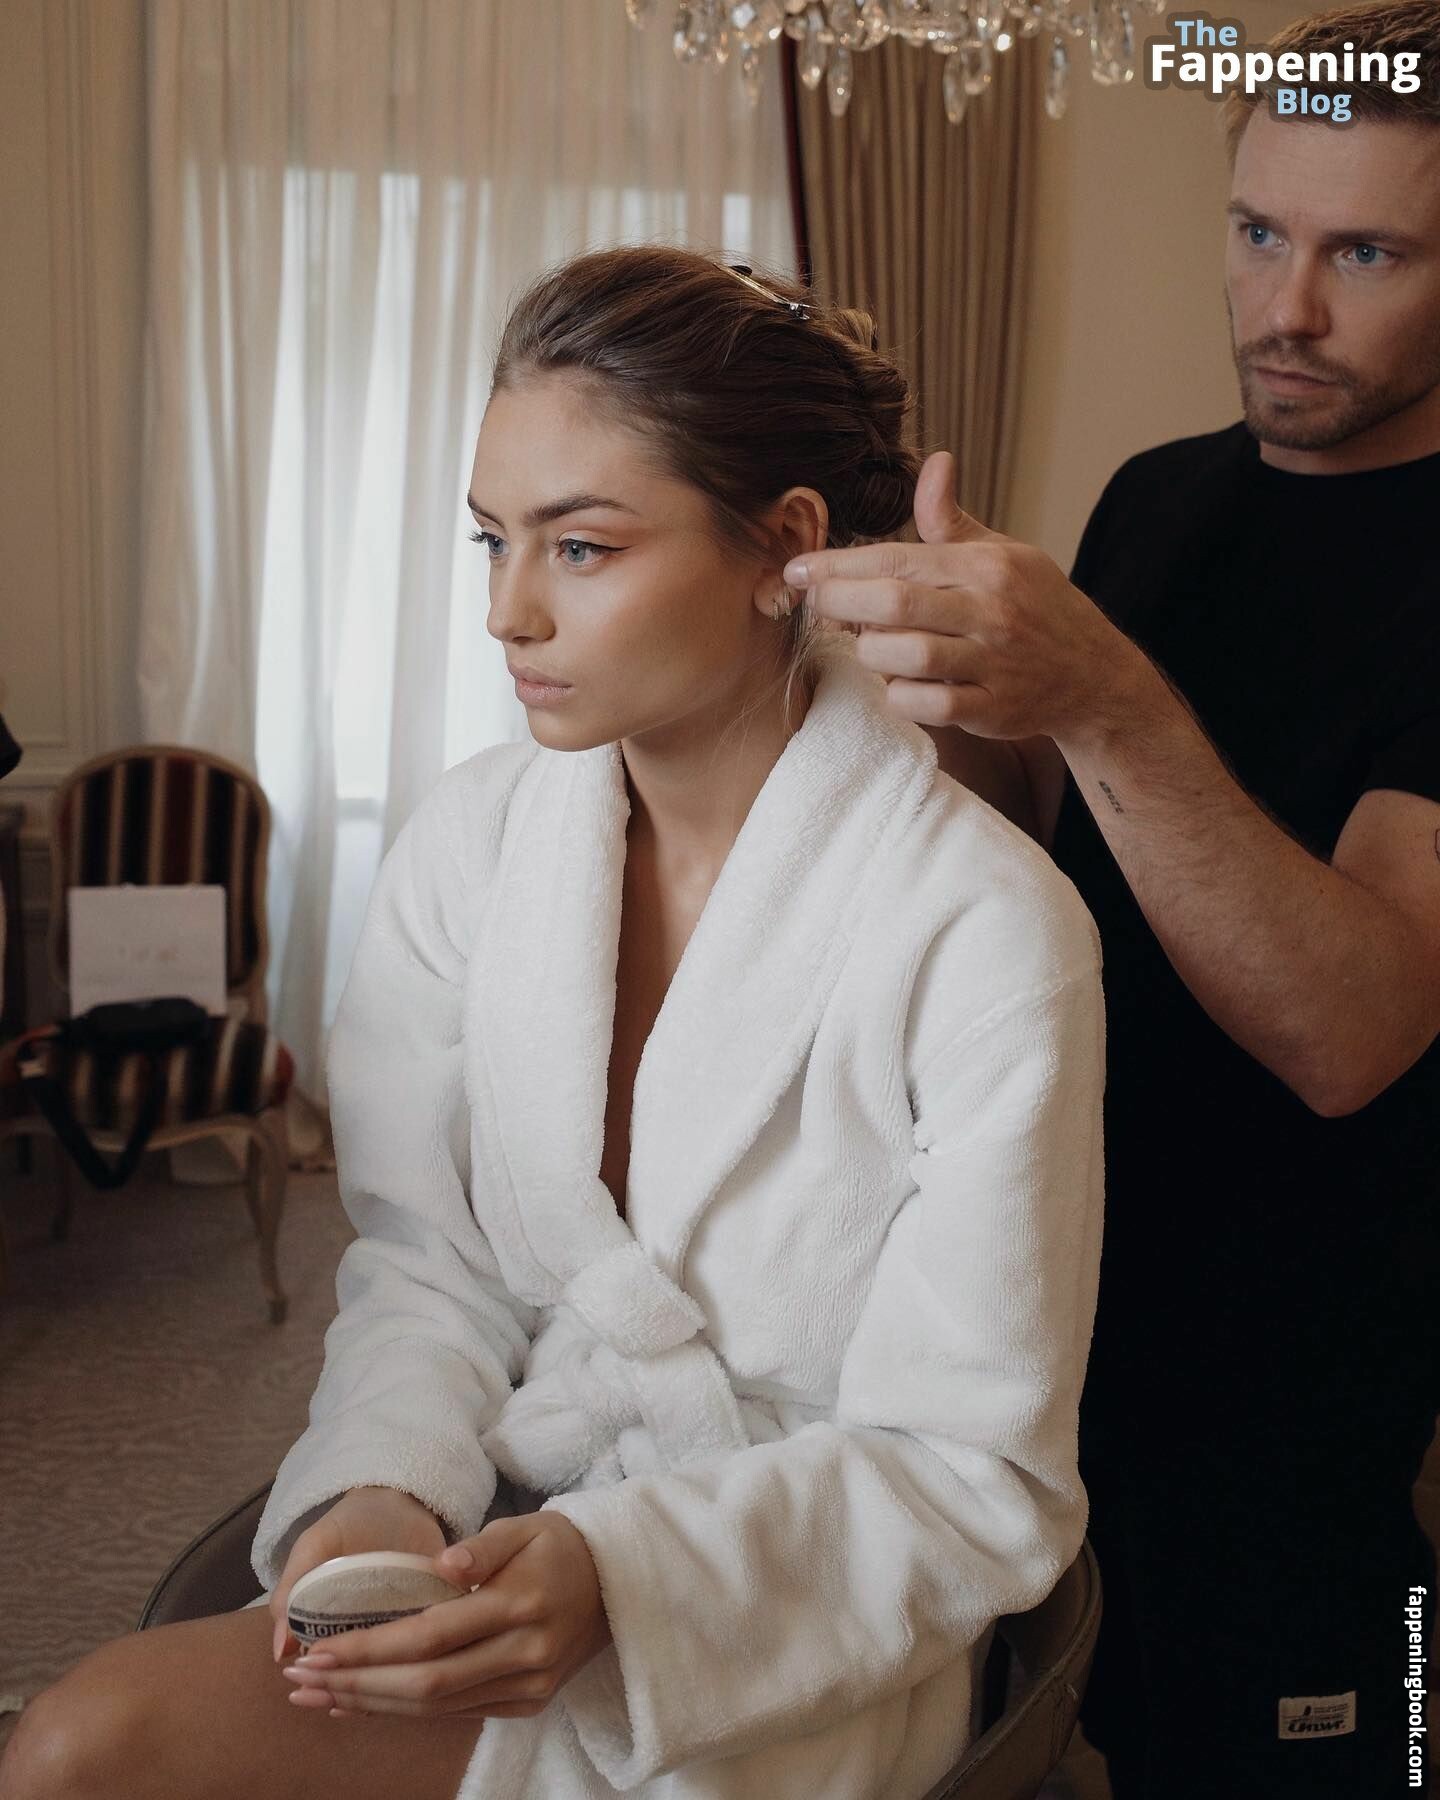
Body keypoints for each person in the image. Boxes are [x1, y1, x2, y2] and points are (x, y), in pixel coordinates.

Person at [0, 245, 1108, 1800]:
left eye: (581, 547)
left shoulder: (983, 929)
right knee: (88, 1740)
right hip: (501, 1522)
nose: (507, 612)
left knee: (85, 1750)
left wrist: (624, 1580)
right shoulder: (472, 850)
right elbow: (428, 1266)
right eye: (491, 539)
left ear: (786, 547)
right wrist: (383, 1492)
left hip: (786, 1619)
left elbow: (973, 1477)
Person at [776, 4, 1440, 1795]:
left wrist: (1104, 695)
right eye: (1258, 231)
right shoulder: (1162, 497)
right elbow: (1051, 829)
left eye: (1366, 253)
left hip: (1308, 1367)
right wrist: (933, 675)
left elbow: (1353, 1032)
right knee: (1052, 1723)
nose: (1285, 308)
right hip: (1061, 1280)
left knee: (1333, 1755)